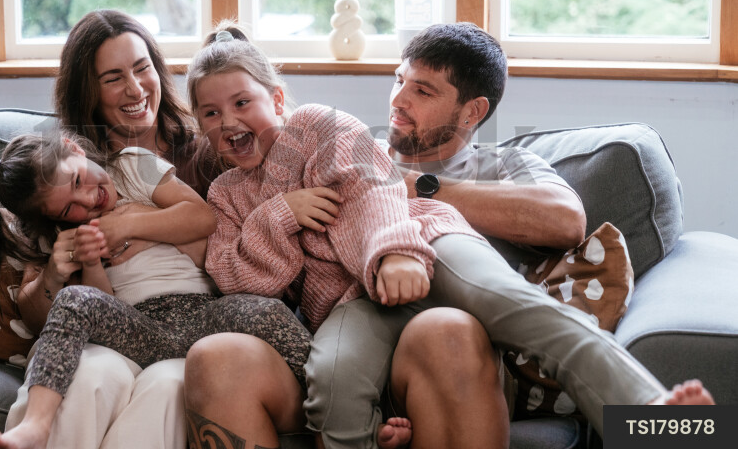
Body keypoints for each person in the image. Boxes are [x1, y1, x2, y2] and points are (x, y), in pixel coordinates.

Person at [181, 23, 713, 449]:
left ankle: (653, 416)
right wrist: (283, 212)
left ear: (472, 110)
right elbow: (256, 270)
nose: (398, 99)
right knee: (334, 375)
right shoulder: (336, 147)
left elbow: (563, 219)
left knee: (471, 322)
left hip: (437, 280)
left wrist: (416, 186)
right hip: (362, 302)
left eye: (423, 89)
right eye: (398, 80)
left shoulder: (502, 163)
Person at [0, 131, 310, 449]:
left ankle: (330, 400)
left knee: (263, 311)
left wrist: (127, 224)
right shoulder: (65, 234)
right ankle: (36, 426)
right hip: (140, 329)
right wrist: (92, 261)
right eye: (70, 208)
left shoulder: (131, 166)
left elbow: (204, 218)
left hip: (202, 312)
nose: (88, 200)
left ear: (75, 149)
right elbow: (100, 304)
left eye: (79, 179)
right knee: (74, 299)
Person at [3, 9, 222, 449]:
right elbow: (38, 312)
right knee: (90, 374)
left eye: (142, 69)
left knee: (164, 388)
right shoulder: (58, 178)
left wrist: (131, 226)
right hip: (110, 330)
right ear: (89, 94)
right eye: (113, 78)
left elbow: (216, 234)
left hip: (181, 326)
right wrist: (57, 272)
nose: (136, 88)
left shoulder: (205, 151)